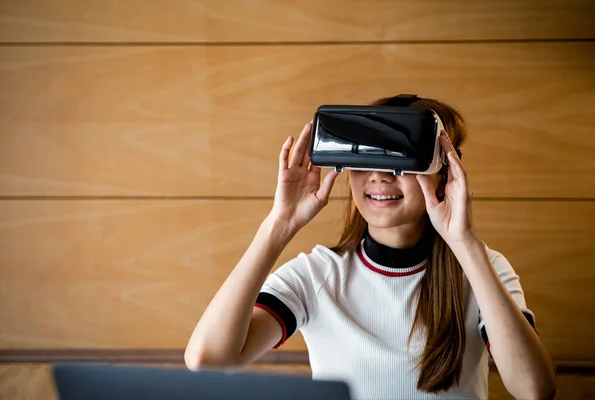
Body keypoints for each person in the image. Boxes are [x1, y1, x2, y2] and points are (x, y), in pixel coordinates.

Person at [184, 96, 557, 399]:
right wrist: (279, 226)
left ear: (445, 171)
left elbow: (533, 389)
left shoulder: (482, 268)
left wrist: (465, 244)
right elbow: (208, 360)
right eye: (367, 159)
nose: (378, 175)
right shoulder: (317, 274)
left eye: (398, 162)